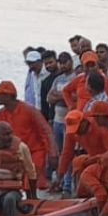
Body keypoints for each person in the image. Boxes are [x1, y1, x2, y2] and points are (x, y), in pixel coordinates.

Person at [0, 80, 55, 190]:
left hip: (34, 153)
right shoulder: (0, 113)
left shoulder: (30, 110)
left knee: (31, 183)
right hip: (16, 154)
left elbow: (46, 131)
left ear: (8, 96)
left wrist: (52, 152)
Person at [55, 104, 108, 184]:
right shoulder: (72, 132)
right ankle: (80, 194)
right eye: (73, 130)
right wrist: (59, 177)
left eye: (77, 128)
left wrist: (94, 160)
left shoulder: (101, 126)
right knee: (78, 162)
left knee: (88, 172)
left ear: (84, 121)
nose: (76, 132)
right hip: (99, 159)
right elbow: (66, 153)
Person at [46, 52, 77, 190]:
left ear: (71, 62)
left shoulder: (76, 78)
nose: (63, 65)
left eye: (65, 62)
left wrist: (60, 97)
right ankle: (60, 181)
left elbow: (75, 98)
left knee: (68, 152)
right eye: (61, 62)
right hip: (57, 120)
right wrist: (64, 96)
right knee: (59, 153)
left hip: (69, 121)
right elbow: (49, 98)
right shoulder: (57, 79)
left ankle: (67, 184)